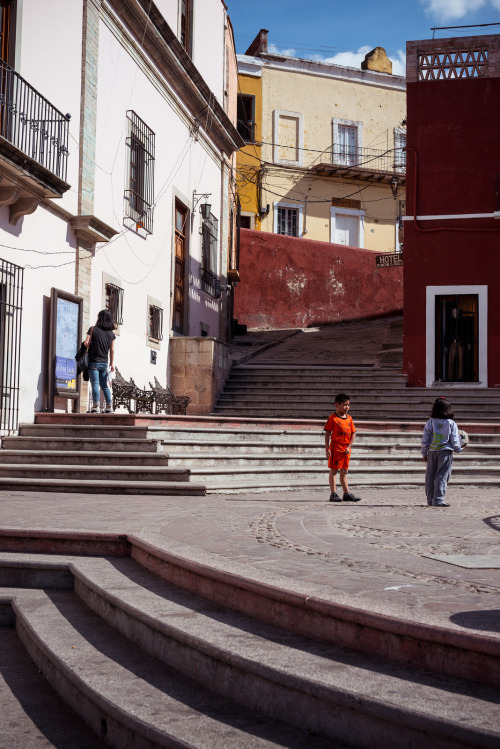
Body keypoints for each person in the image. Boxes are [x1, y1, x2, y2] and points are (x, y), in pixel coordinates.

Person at [421, 396, 465, 507]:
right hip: (445, 452)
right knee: (442, 476)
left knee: (430, 476)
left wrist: (424, 452)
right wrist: (458, 449)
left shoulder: (430, 422)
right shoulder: (451, 423)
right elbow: (454, 439)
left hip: (432, 452)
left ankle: (430, 500)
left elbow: (425, 438)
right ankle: (438, 500)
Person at [324, 393, 361, 502]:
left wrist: (349, 446)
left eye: (348, 405)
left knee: (344, 472)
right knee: (334, 471)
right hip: (336, 448)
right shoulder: (333, 418)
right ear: (337, 405)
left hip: (346, 450)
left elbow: (353, 433)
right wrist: (327, 449)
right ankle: (333, 493)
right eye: (344, 405)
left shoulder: (349, 418)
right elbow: (327, 433)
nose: (347, 407)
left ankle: (346, 493)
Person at [84, 309, 116, 414]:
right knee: (104, 385)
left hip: (94, 362)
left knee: (95, 384)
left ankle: (96, 406)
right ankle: (109, 407)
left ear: (100, 318)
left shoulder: (93, 329)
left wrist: (91, 346)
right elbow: (112, 350)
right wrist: (111, 364)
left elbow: (86, 343)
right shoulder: (111, 334)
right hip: (104, 363)